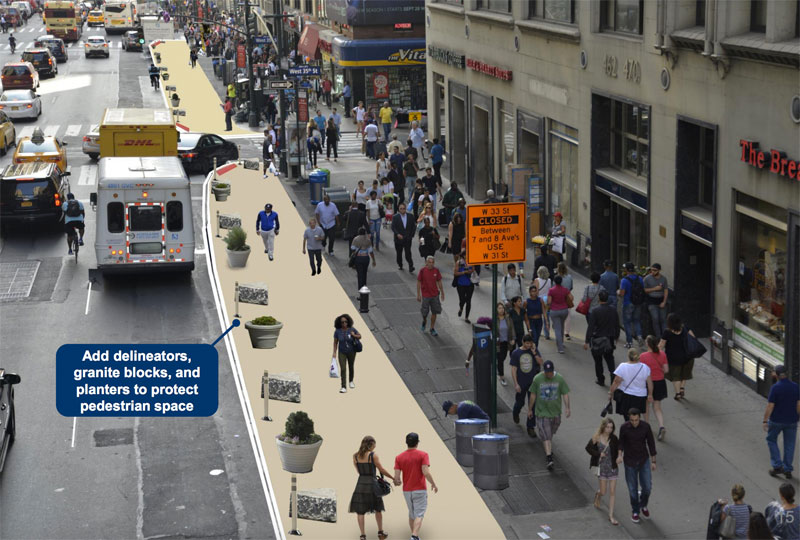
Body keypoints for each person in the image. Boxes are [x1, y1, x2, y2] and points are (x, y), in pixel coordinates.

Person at [394, 433, 438, 540]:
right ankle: (414, 536)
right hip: (420, 489)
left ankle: (414, 536)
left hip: (407, 490)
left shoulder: (399, 457)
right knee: (419, 514)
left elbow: (397, 478)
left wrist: (397, 482)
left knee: (412, 513)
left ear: (406, 443)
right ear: (417, 443)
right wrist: (433, 483)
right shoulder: (423, 455)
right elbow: (426, 472)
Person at [528, 360, 571, 470]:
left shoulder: (559, 379)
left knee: (550, 433)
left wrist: (567, 408)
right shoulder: (537, 379)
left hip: (555, 412)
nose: (549, 374)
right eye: (547, 372)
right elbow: (533, 395)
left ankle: (548, 447)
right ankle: (549, 457)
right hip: (542, 412)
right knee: (546, 435)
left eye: (550, 372)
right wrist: (530, 409)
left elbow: (565, 393)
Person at [617, 408, 657, 524]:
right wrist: (619, 455)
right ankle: (635, 511)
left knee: (647, 487)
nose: (634, 422)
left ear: (639, 417)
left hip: (643, 460)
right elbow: (621, 443)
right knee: (632, 489)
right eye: (632, 420)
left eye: (636, 420)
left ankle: (643, 505)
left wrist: (653, 461)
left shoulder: (645, 427)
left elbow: (651, 443)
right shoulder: (624, 427)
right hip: (629, 462)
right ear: (629, 418)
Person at [349, 436, 392, 540]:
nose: (375, 446)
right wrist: (392, 477)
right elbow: (381, 469)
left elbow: (358, 472)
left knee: (360, 511)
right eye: (374, 444)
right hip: (372, 485)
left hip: (360, 484)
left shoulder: (355, 456)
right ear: (371, 444)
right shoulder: (373, 455)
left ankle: (363, 536)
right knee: (378, 509)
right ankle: (380, 533)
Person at [763, 364, 799, 480]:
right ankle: (787, 469)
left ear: (777, 375)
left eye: (773, 372)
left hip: (776, 420)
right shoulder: (795, 387)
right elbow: (799, 404)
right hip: (792, 421)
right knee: (789, 445)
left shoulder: (775, 388)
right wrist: (796, 416)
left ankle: (777, 466)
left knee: (771, 439)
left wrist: (765, 420)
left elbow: (770, 406)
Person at [586, 418, 620, 526]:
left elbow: (620, 448)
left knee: (612, 492)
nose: (609, 429)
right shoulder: (597, 437)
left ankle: (611, 516)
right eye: (607, 427)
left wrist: (620, 456)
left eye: (611, 427)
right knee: (604, 492)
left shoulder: (614, 438)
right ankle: (598, 494)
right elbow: (588, 448)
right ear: (603, 427)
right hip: (602, 469)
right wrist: (598, 454)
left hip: (613, 468)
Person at [584, 291, 620, 386]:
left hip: (597, 339)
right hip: (609, 338)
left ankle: (601, 379)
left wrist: (587, 341)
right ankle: (613, 377)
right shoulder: (613, 310)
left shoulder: (595, 311)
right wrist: (616, 336)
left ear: (599, 299)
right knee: (610, 359)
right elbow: (617, 324)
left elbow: (591, 327)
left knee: (598, 361)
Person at [658, 313, 697, 401]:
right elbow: (693, 338)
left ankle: (678, 393)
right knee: (684, 373)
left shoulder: (667, 332)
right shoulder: (685, 328)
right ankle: (682, 388)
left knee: (676, 376)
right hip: (687, 356)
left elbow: (661, 345)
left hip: (673, 358)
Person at [609, 349, 653, 422]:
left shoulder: (623, 366)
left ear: (628, 356)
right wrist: (650, 394)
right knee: (636, 417)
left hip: (626, 396)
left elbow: (616, 382)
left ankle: (631, 430)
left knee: (628, 417)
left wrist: (610, 392)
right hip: (640, 397)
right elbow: (650, 383)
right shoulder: (645, 367)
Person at [511, 335, 543, 436]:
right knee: (520, 402)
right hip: (521, 382)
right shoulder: (516, 353)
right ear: (523, 342)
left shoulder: (534, 350)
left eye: (530, 343)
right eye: (527, 343)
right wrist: (516, 384)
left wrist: (534, 353)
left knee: (532, 405)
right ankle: (516, 412)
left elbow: (541, 362)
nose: (529, 345)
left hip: (532, 383)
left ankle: (530, 426)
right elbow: (513, 369)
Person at [639, 335, 669, 440]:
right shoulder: (662, 354)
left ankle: (647, 426)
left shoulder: (643, 356)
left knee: (646, 406)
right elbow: (666, 370)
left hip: (648, 383)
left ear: (647, 344)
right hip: (660, 382)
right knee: (657, 407)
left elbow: (641, 371)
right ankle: (661, 426)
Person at [618, 262, 645, 349]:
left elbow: (622, 293)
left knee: (627, 322)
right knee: (636, 321)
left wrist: (618, 292)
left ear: (626, 270)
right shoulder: (640, 278)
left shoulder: (624, 280)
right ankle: (639, 336)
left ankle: (629, 342)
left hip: (627, 303)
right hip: (638, 303)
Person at [332, 314, 362, 393]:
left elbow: (360, 336)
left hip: (352, 351)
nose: (344, 323)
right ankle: (343, 386)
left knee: (351, 366)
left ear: (348, 321)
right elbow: (335, 343)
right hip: (342, 352)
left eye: (346, 321)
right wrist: (334, 352)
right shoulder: (337, 331)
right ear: (339, 323)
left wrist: (354, 335)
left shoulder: (352, 329)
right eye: (342, 322)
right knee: (343, 368)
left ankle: (351, 381)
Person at [546, 275, 573, 354]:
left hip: (554, 311)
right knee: (561, 326)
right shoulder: (565, 290)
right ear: (561, 281)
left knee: (557, 328)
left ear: (554, 281)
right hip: (564, 310)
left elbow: (549, 302)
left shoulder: (551, 290)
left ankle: (560, 348)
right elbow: (571, 298)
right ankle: (561, 342)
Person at [643, 263, 669, 337]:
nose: (653, 272)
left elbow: (666, 290)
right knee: (655, 319)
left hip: (661, 300)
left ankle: (665, 338)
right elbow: (644, 290)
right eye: (651, 270)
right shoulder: (647, 278)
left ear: (659, 270)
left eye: (655, 270)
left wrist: (664, 302)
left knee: (663, 320)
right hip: (651, 301)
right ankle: (659, 337)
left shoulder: (663, 279)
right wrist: (655, 289)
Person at [494, 302, 515, 387]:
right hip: (499, 343)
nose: (501, 310)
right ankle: (502, 377)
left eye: (502, 308)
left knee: (503, 357)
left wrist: (513, 338)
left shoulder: (508, 318)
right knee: (500, 359)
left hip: (507, 342)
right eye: (499, 308)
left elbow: (512, 328)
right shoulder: (495, 319)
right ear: (496, 309)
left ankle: (498, 368)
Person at [392, 202, 416, 272]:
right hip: (398, 239)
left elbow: (413, 227)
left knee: (408, 253)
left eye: (404, 209)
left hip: (407, 239)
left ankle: (411, 266)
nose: (402, 210)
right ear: (399, 209)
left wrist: (411, 236)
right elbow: (393, 227)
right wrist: (397, 234)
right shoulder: (395, 217)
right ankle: (400, 265)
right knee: (399, 254)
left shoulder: (410, 216)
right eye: (401, 209)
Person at [453, 250, 475, 322]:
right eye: (465, 255)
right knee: (462, 299)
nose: (467, 256)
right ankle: (461, 308)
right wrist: (463, 272)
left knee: (468, 301)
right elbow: (455, 273)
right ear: (463, 255)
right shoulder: (459, 263)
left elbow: (473, 271)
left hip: (470, 284)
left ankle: (466, 317)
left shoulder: (471, 262)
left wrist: (469, 271)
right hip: (460, 284)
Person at [556, 262, 574, 339]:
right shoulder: (569, 277)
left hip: (559, 297)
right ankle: (567, 332)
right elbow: (571, 287)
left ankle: (560, 330)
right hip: (568, 297)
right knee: (568, 315)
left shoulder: (557, 277)